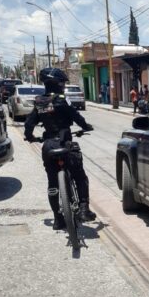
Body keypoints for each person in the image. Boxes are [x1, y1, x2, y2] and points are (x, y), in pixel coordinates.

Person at [24, 67, 95, 230]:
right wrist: (86, 127)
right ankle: (84, 209)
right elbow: (76, 117)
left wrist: (30, 137)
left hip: (49, 146)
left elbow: (29, 124)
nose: (63, 86)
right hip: (65, 143)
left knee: (52, 183)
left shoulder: (40, 102)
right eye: (62, 83)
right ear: (56, 84)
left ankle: (57, 219)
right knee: (80, 175)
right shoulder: (63, 100)